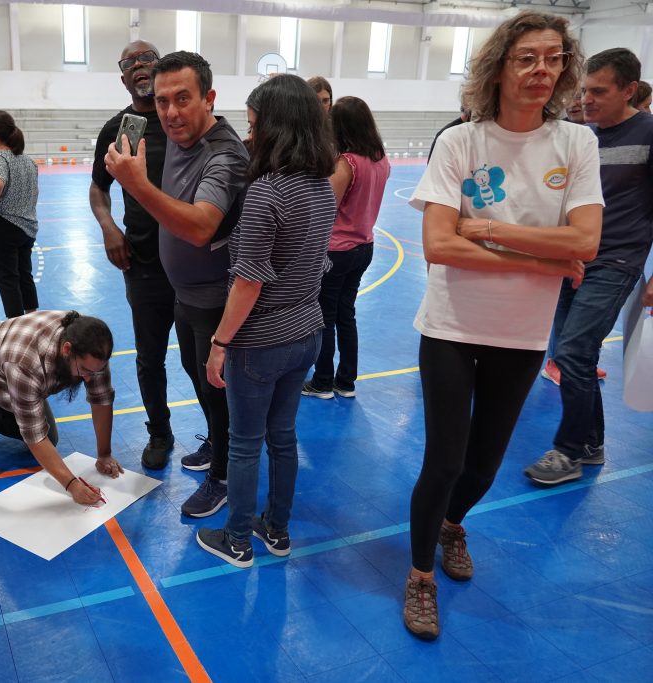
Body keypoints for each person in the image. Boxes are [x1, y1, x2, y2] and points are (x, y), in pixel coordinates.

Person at [404, 11, 602, 640]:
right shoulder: (462, 142)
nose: (542, 70)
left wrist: (485, 226)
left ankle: (453, 526)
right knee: (443, 460)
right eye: (527, 58)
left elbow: (588, 241)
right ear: (500, 67)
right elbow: (438, 244)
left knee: (484, 465)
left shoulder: (577, 145)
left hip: (521, 332)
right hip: (452, 325)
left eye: (553, 57)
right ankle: (419, 578)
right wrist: (548, 252)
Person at [195, 75, 335, 567]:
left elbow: (249, 282)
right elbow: (316, 262)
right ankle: (276, 529)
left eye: (254, 127)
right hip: (307, 332)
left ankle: (235, 538)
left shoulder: (266, 193)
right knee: (284, 438)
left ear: (277, 128)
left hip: (260, 343)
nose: (249, 137)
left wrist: (219, 342)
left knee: (244, 444)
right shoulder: (321, 188)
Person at [105, 51, 248, 518]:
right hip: (186, 293)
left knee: (218, 388)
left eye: (183, 99)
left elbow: (203, 225)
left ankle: (226, 475)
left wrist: (138, 185)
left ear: (208, 98)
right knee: (198, 377)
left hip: (215, 300)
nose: (170, 112)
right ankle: (218, 447)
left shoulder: (223, 154)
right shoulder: (179, 140)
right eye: (163, 101)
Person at [525, 48, 653, 486]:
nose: (588, 99)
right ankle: (592, 441)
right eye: (584, 90)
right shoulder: (583, 137)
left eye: (599, 91)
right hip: (573, 259)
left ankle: (568, 451)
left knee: (574, 353)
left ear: (630, 90)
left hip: (617, 261)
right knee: (574, 354)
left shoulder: (649, 133)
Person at [91, 42, 204, 472]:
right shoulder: (120, 128)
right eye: (129, 63)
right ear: (122, 77)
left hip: (194, 264)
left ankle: (217, 431)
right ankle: (159, 431)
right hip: (143, 264)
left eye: (147, 59)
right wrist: (109, 229)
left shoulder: (182, 123)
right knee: (149, 356)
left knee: (199, 357)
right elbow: (98, 187)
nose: (139, 65)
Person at [0, 311, 124, 502]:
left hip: (8, 384)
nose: (89, 378)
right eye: (85, 371)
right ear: (67, 350)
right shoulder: (27, 362)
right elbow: (35, 437)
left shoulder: (93, 352)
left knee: (51, 440)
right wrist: (72, 485)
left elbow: (102, 400)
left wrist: (104, 454)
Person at [302, 96, 390, 400]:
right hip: (364, 245)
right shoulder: (380, 159)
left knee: (324, 316)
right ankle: (346, 380)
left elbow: (326, 207)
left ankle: (323, 380)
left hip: (337, 250)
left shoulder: (347, 163)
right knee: (345, 314)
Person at [0, 110, 40, 319]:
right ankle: (31, 319)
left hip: (3, 226)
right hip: (27, 227)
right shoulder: (28, 161)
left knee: (7, 279)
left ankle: (15, 325)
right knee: (25, 275)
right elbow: (35, 192)